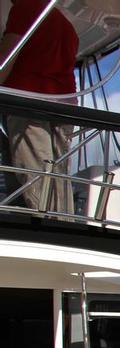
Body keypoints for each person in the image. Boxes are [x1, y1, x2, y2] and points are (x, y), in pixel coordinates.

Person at [0, 0, 79, 212]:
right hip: (65, 107)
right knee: (57, 175)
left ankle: (48, 225)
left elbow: (5, 61)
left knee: (36, 173)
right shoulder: (65, 23)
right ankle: (64, 223)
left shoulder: (24, 9)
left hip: (29, 104)